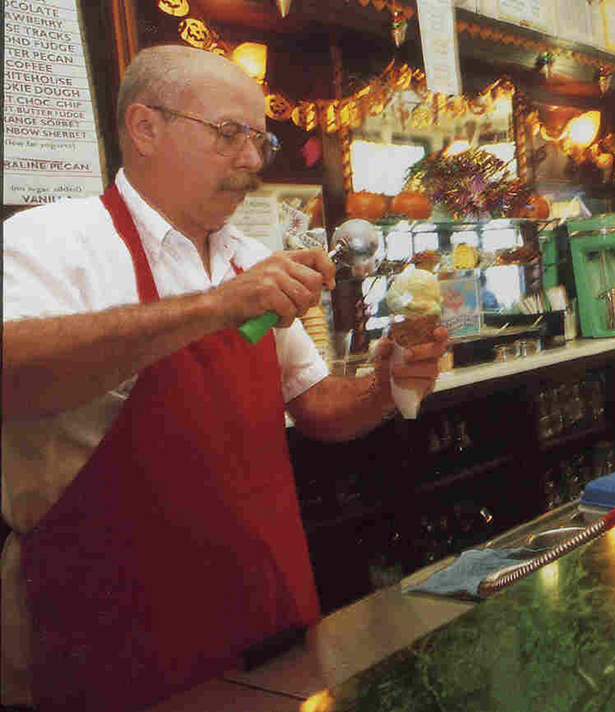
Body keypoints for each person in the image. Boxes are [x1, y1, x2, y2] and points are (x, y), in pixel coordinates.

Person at [0, 45, 449, 711]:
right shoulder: (53, 241)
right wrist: (214, 308)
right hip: (115, 636)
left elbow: (316, 403)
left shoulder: (248, 255)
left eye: (259, 140)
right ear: (145, 127)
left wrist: (384, 386)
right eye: (228, 134)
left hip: (265, 618)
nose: (251, 161)